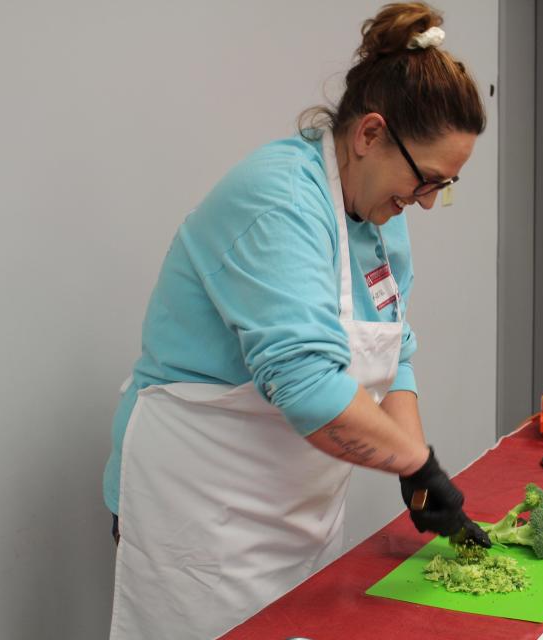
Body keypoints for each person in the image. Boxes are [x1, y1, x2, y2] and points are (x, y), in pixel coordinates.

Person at [104, 2, 490, 638]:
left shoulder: (378, 220)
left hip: (293, 509)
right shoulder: (278, 203)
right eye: (424, 179)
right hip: (201, 511)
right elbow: (310, 391)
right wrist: (419, 465)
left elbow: (396, 358)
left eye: (442, 187)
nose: (424, 203)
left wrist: (417, 481)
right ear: (369, 134)